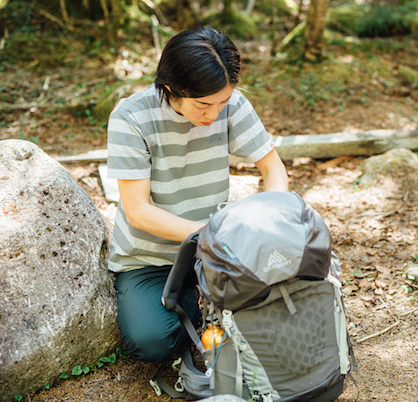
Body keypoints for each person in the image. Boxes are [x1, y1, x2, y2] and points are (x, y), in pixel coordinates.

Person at [106, 26, 288, 363]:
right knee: (152, 341)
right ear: (170, 88)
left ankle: (205, 300)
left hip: (218, 252)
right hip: (151, 260)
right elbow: (138, 211)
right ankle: (198, 301)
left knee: (284, 304)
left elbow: (272, 167)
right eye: (203, 105)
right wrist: (211, 236)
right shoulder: (131, 118)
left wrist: (272, 218)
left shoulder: (230, 103)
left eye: (222, 103)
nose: (213, 114)